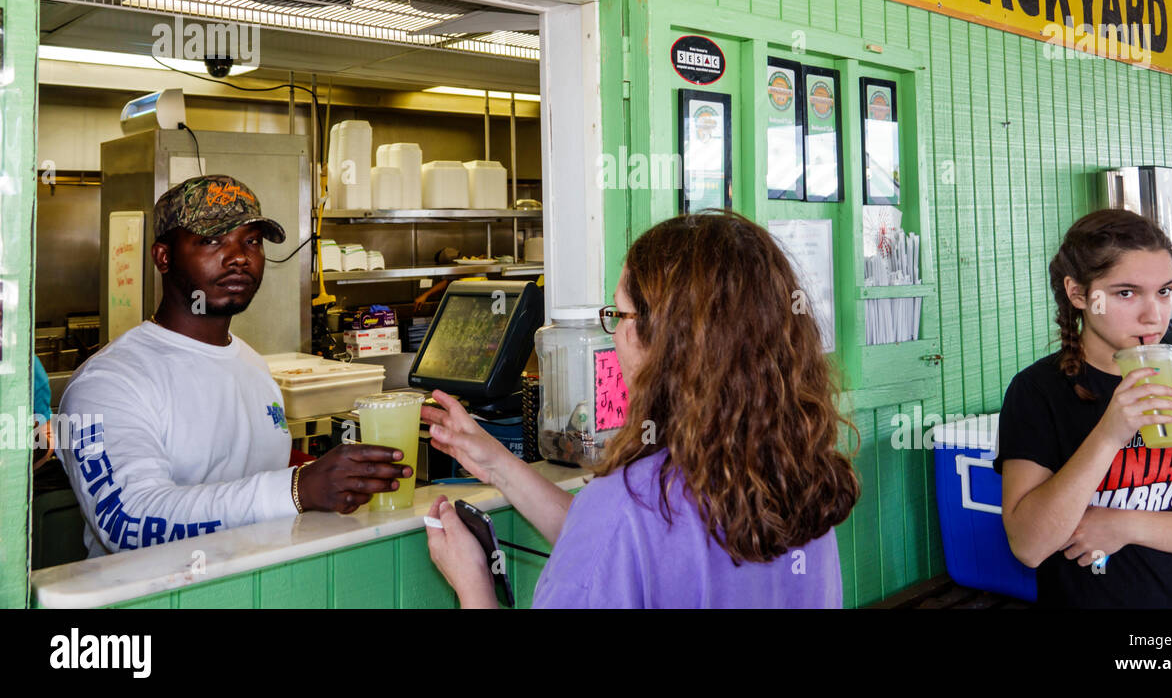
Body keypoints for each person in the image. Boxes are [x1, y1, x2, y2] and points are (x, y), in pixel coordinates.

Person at [422, 210, 861, 608]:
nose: (613, 332)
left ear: (667, 342)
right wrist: (496, 464)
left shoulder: (624, 508)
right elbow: (623, 552)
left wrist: (474, 584)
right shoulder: (796, 481)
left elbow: (615, 540)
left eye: (619, 314)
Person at [58, 174, 411, 556]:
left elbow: (246, 473)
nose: (239, 256)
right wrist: (298, 487)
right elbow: (127, 522)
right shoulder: (107, 383)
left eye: (251, 241)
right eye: (211, 240)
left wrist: (332, 476)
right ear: (163, 257)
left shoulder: (253, 366)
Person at [996, 208, 1172, 607]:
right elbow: (1030, 546)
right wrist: (1109, 433)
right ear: (1078, 293)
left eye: (1164, 291)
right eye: (1126, 293)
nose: (1154, 315)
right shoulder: (1037, 391)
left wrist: (1125, 525)